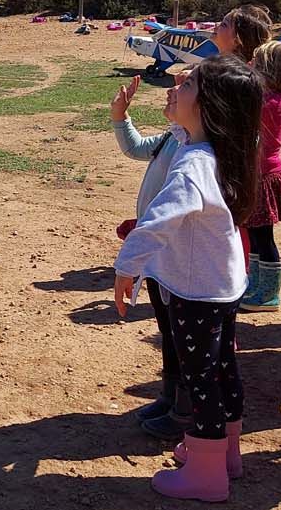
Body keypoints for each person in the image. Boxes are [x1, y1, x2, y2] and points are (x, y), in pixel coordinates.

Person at [114, 55, 263, 502]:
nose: (176, 85)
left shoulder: (194, 163)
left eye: (189, 84)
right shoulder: (219, 149)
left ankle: (205, 474)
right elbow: (174, 134)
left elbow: (161, 219)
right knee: (222, 371)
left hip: (196, 291)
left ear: (210, 107)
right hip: (221, 285)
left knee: (201, 380)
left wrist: (127, 265)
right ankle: (224, 455)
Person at [109, 72, 194, 441]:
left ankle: (186, 411)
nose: (172, 88)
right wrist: (120, 116)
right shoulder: (172, 139)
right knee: (167, 328)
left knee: (183, 333)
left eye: (186, 84)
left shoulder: (200, 152)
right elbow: (134, 148)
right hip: (160, 258)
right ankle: (170, 397)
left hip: (180, 257)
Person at [240, 41, 281, 312]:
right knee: (255, 235)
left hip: (263, 177)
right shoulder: (277, 96)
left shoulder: (269, 101)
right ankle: (256, 286)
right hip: (259, 174)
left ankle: (268, 293)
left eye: (257, 62)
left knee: (263, 237)